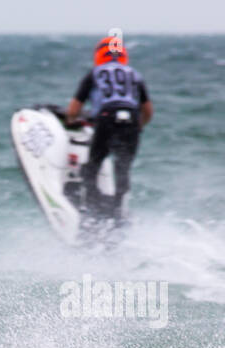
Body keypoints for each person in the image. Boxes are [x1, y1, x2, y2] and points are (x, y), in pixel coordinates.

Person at [65, 35, 153, 222]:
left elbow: (74, 109)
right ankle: (116, 210)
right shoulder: (135, 75)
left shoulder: (95, 73)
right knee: (122, 169)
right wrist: (138, 127)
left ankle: (93, 206)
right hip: (130, 122)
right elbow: (148, 111)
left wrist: (71, 121)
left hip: (106, 119)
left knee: (93, 166)